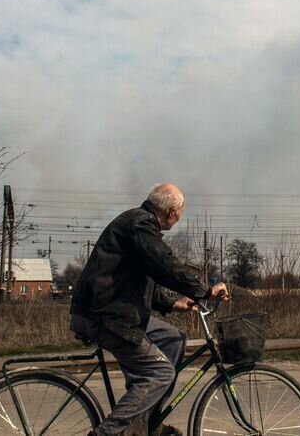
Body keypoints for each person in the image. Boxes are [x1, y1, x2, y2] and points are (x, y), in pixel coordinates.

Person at [70, 183, 230, 436]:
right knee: (160, 372)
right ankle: (108, 433)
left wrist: (171, 303)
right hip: (105, 315)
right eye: (181, 211)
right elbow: (164, 264)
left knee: (173, 339)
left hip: (115, 310)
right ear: (170, 211)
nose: (180, 217)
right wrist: (205, 291)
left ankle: (145, 425)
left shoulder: (138, 225)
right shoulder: (141, 224)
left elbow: (138, 279)